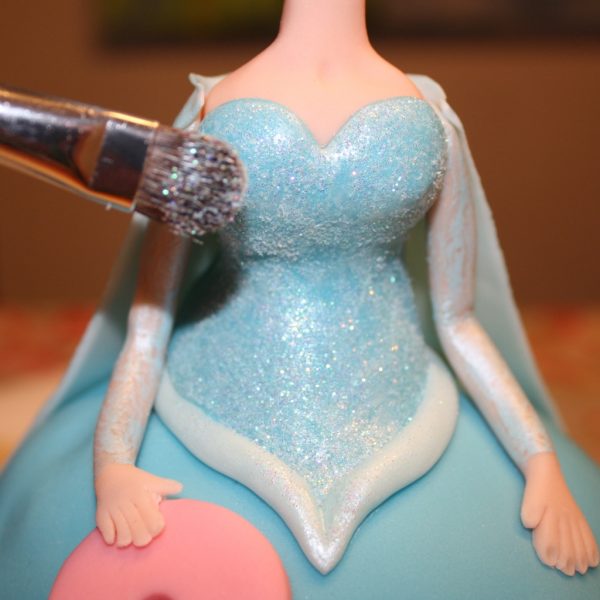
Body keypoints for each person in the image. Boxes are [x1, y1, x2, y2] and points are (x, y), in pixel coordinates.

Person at [1, 1, 598, 598]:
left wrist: (539, 461)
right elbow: (148, 322)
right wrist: (113, 466)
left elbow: (458, 319)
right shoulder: (214, 111)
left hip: (400, 394)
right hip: (212, 388)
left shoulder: (428, 118)